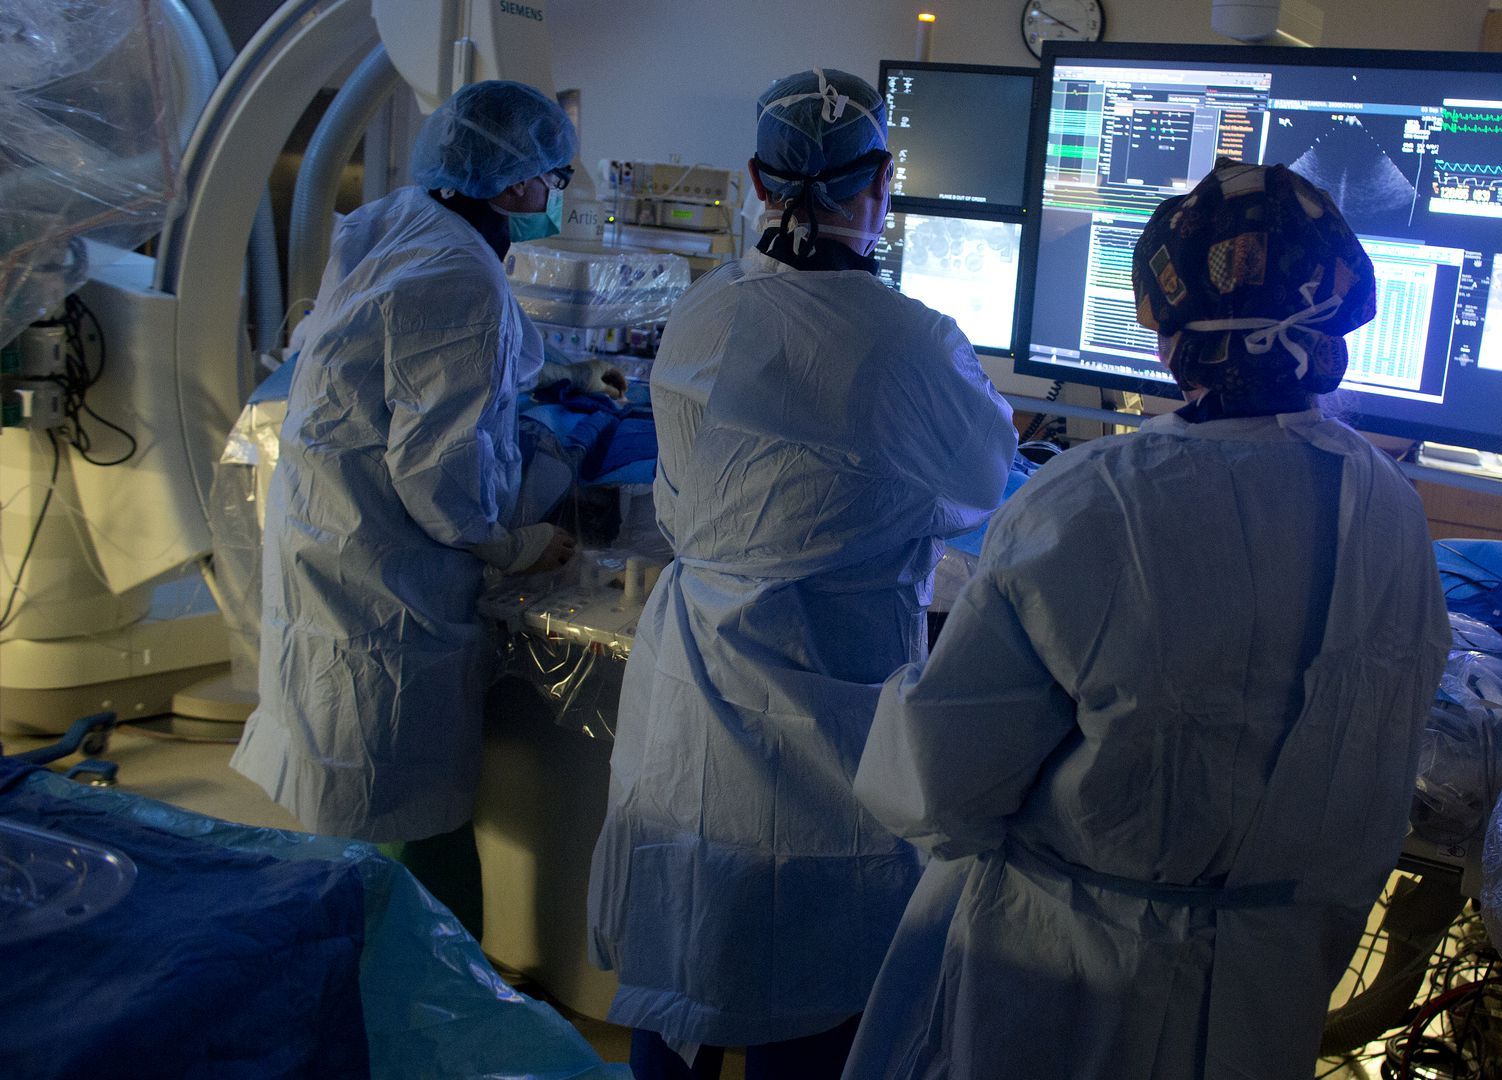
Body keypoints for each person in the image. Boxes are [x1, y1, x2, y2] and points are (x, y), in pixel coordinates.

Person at [843, 160, 1452, 1080]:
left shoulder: (1092, 503)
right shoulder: (1389, 504)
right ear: (1337, 318)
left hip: (1066, 980)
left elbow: (937, 785)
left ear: (1168, 329)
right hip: (1269, 992)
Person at [586, 69, 1015, 1080]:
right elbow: (984, 486)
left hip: (694, 681)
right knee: (819, 989)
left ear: (753, 180)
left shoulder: (703, 315)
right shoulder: (910, 343)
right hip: (827, 712)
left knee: (685, 959)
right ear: (882, 186)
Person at [231, 80, 580, 938]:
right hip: (385, 572)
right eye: (552, 176)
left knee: (353, 790)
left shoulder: (395, 219)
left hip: (330, 535)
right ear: (511, 187)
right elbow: (439, 472)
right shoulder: (463, 274)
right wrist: (515, 543)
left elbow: (420, 354)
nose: (555, 195)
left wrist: (546, 373)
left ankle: (371, 971)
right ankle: (439, 1001)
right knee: (407, 802)